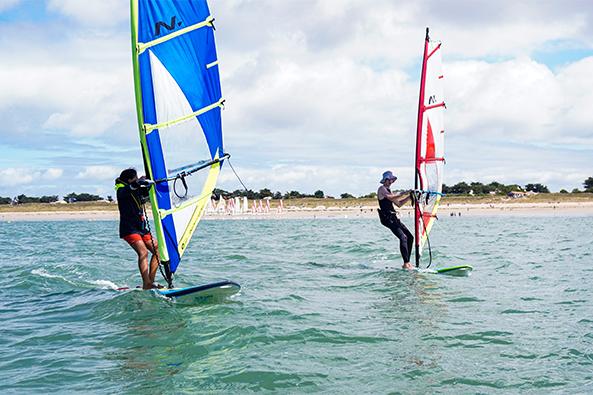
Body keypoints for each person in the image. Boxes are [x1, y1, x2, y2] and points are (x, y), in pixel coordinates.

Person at [114, 168, 160, 289]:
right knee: (143, 252)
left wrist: (149, 182)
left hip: (141, 226)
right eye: (135, 177)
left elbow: (144, 193)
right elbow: (129, 188)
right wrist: (139, 182)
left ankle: (150, 281)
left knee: (157, 250)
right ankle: (147, 283)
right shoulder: (121, 190)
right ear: (129, 180)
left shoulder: (136, 189)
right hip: (129, 228)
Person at [377, 171, 414, 270]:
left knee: (410, 237)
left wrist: (409, 197)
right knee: (403, 237)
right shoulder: (382, 189)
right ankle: (406, 263)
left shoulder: (389, 191)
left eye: (393, 180)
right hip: (387, 218)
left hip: (394, 218)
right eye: (391, 179)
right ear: (386, 179)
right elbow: (391, 197)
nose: (392, 181)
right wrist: (404, 192)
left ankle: (407, 262)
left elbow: (399, 204)